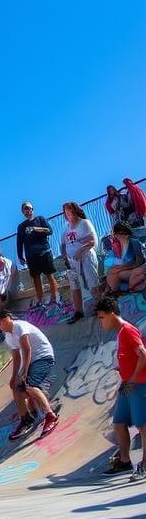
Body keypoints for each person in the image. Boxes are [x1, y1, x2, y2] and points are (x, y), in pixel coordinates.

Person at [95, 297, 146, 480]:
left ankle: (143, 465)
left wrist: (132, 378)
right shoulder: (120, 333)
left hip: (139, 384)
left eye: (101, 317)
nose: (101, 321)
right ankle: (124, 461)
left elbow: (143, 354)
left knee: (142, 426)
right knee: (119, 422)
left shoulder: (128, 331)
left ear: (110, 314)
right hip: (127, 385)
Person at [0, 309, 59, 440]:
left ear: (9, 318)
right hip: (32, 361)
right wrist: (14, 377)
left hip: (43, 357)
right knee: (16, 387)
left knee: (29, 384)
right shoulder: (8, 335)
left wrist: (24, 372)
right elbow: (16, 356)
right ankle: (26, 418)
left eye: (3, 322)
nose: (1, 325)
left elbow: (26, 349)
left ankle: (50, 415)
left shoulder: (19, 326)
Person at [61, 201, 101, 324]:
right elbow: (63, 244)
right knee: (74, 286)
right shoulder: (66, 229)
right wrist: (64, 256)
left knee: (92, 283)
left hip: (86, 257)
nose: (69, 213)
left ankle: (101, 306)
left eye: (70, 210)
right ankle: (78, 311)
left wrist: (81, 250)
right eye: (66, 211)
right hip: (72, 261)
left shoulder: (84, 224)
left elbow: (92, 241)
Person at [16, 202, 59, 306]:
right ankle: (40, 301)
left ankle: (55, 298)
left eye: (30, 208)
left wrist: (36, 229)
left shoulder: (40, 219)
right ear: (23, 211)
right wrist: (20, 256)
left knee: (49, 275)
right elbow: (19, 242)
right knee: (36, 279)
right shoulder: (21, 227)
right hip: (31, 256)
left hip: (44, 252)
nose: (28, 210)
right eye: (26, 208)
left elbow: (50, 231)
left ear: (33, 209)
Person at [104, 221, 146, 296]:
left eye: (115, 233)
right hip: (130, 269)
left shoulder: (134, 242)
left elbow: (139, 261)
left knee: (116, 273)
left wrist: (121, 268)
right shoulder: (118, 247)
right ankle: (112, 292)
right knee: (111, 271)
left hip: (140, 268)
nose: (114, 235)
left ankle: (115, 293)